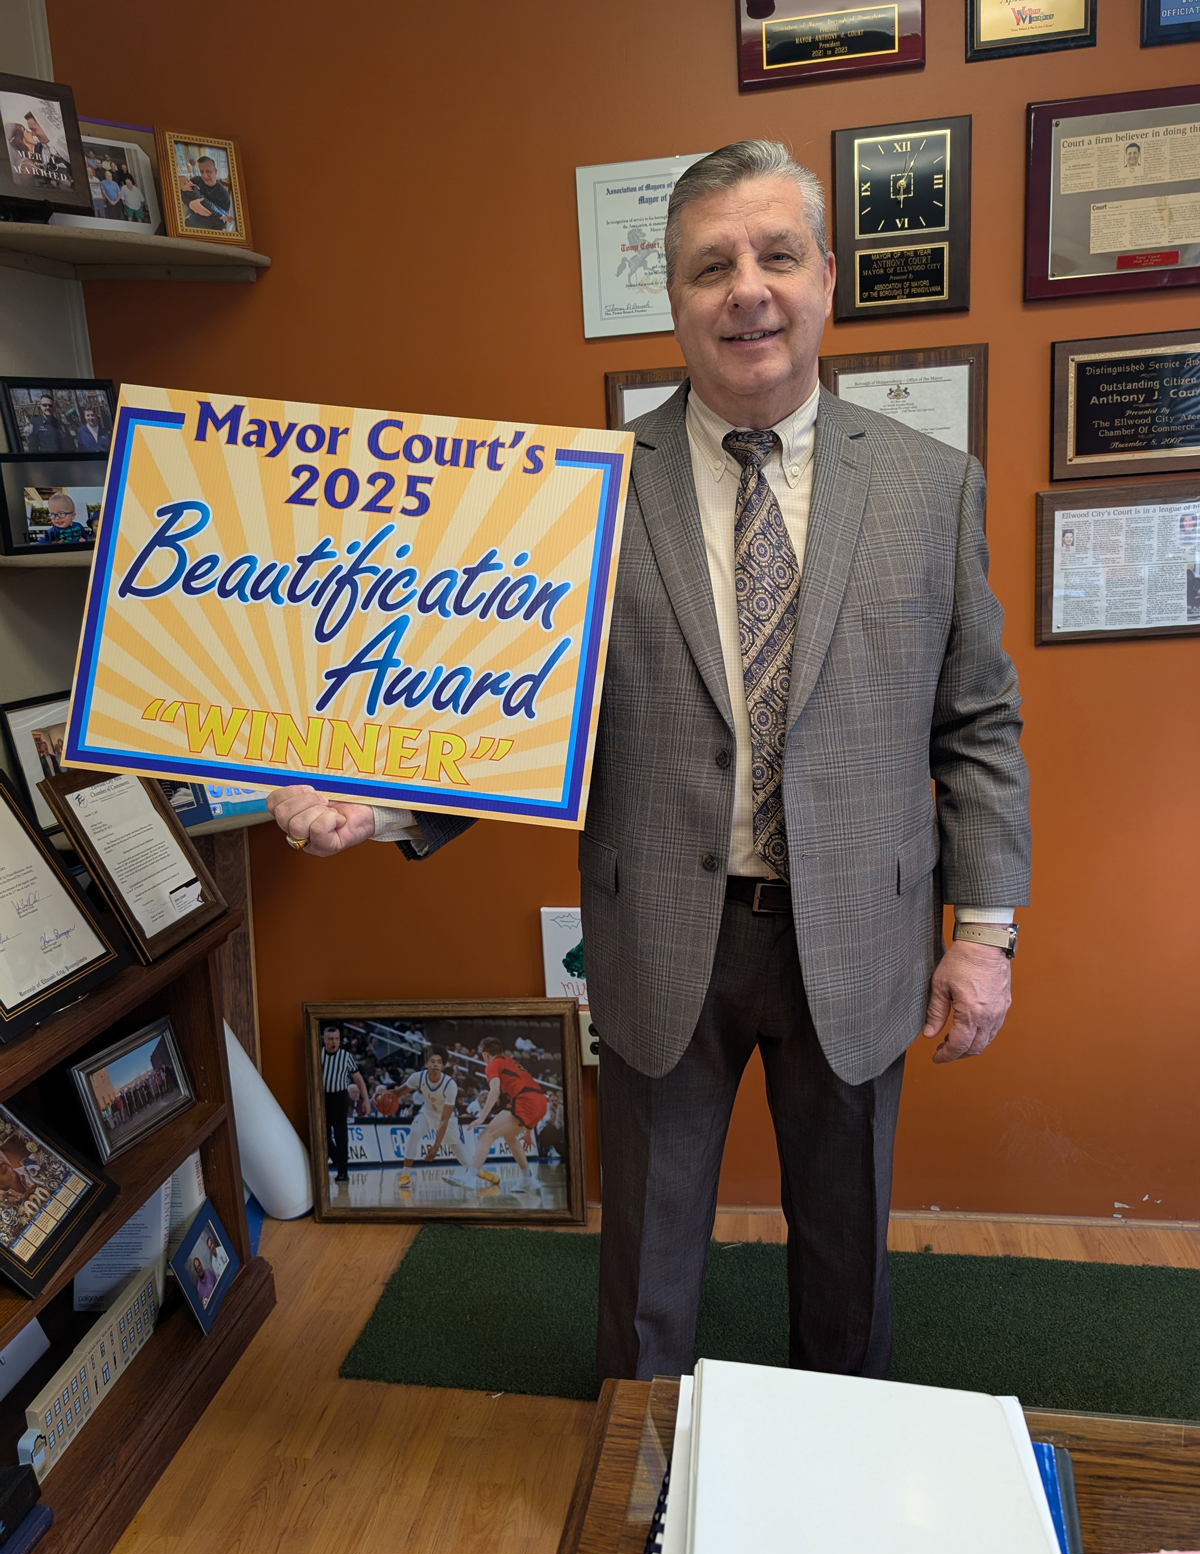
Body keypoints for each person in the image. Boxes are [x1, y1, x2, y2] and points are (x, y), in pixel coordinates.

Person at [267, 139, 1030, 1383]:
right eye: (710, 266)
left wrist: (985, 933)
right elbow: (508, 713)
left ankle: (834, 1456)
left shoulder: (931, 487)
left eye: (777, 255)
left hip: (863, 935)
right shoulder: (579, 499)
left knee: (849, 1257)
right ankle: (637, 1470)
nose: (748, 290)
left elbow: (979, 724)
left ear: (827, 278)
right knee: (647, 1267)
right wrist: (385, 807)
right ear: (671, 299)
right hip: (667, 932)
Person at [444, 1038, 547, 1192]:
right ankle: (528, 1179)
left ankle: (470, 1178)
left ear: (485, 1055)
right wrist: (528, 1132)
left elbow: (495, 1091)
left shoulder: (492, 1064)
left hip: (526, 1101)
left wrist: (482, 1117)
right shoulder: (510, 1061)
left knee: (486, 1134)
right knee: (510, 1137)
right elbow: (529, 1090)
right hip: (541, 1102)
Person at [396, 1049, 499, 1188]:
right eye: (432, 1061)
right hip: (427, 1113)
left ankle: (484, 1174)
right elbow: (398, 1093)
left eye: (439, 1062)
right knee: (414, 1133)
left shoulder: (449, 1085)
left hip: (448, 1119)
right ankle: (405, 1175)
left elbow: (444, 1119)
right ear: (426, 1064)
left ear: (443, 1066)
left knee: (466, 1161)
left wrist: (436, 1146)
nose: (435, 1064)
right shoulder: (417, 1077)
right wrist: (385, 1095)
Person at [320, 1023, 367, 1183]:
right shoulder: (318, 1055)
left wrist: (366, 1100)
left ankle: (343, 1171)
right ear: (324, 1039)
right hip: (323, 1099)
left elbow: (358, 1079)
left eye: (336, 1039)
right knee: (324, 1136)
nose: (334, 1042)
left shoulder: (346, 1056)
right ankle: (339, 1163)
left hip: (340, 1098)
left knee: (341, 1135)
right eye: (330, 1039)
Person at [180, 154, 232, 231]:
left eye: (208, 171)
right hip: (191, 222)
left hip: (210, 228)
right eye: (201, 172)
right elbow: (180, 191)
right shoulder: (195, 181)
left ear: (215, 171)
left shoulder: (224, 194)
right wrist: (190, 203)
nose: (204, 176)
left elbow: (222, 221)